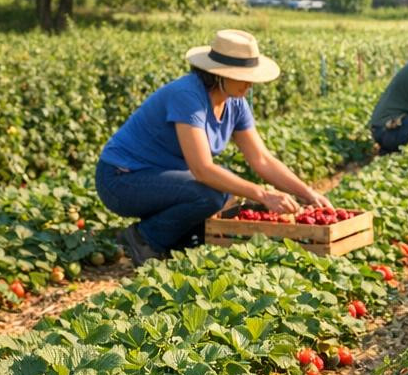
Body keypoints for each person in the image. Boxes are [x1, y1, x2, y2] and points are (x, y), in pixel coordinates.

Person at [95, 30, 333, 265]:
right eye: (243, 75)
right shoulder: (187, 95)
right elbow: (202, 170)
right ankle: (143, 238)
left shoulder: (235, 103)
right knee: (213, 193)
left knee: (226, 185)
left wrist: (307, 193)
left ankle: (176, 240)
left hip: (159, 179)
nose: (249, 84)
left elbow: (261, 158)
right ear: (219, 74)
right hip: (121, 179)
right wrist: (262, 194)